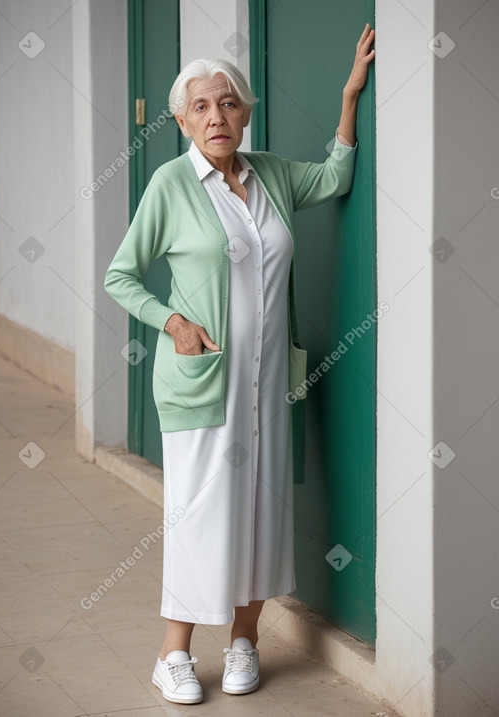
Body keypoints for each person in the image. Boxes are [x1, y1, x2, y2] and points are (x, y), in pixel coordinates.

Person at [104, 23, 375, 705]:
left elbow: (338, 175)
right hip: (202, 387)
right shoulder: (170, 185)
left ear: (246, 111)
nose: (215, 116)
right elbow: (121, 275)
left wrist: (349, 96)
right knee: (200, 516)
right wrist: (173, 322)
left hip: (267, 387)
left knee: (259, 513)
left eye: (227, 103)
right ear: (180, 119)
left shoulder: (273, 175)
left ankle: (245, 639)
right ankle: (173, 655)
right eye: (200, 106)